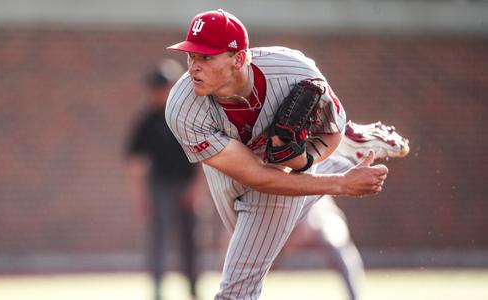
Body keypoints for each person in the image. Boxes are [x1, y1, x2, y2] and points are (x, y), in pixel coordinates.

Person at [165, 9, 388, 299]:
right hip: (233, 168)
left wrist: (307, 161)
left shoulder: (294, 72)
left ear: (239, 59)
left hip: (282, 172)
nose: (194, 66)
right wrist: (341, 182)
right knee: (245, 248)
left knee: (237, 289)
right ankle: (344, 156)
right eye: (191, 55)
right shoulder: (183, 107)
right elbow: (256, 176)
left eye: (206, 57)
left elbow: (332, 128)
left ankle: (343, 150)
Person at [281, 120, 410, 300]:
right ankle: (343, 153)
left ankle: (356, 297)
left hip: (313, 211)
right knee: (247, 262)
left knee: (338, 245)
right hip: (278, 208)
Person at [124, 59, 201, 300]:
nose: (160, 94)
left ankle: (193, 288)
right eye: (156, 89)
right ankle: (157, 289)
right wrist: (141, 196)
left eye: (165, 88)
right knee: (158, 238)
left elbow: (205, 157)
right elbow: (135, 162)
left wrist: (197, 189)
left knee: (190, 240)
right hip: (159, 187)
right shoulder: (147, 120)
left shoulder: (189, 117)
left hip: (187, 185)